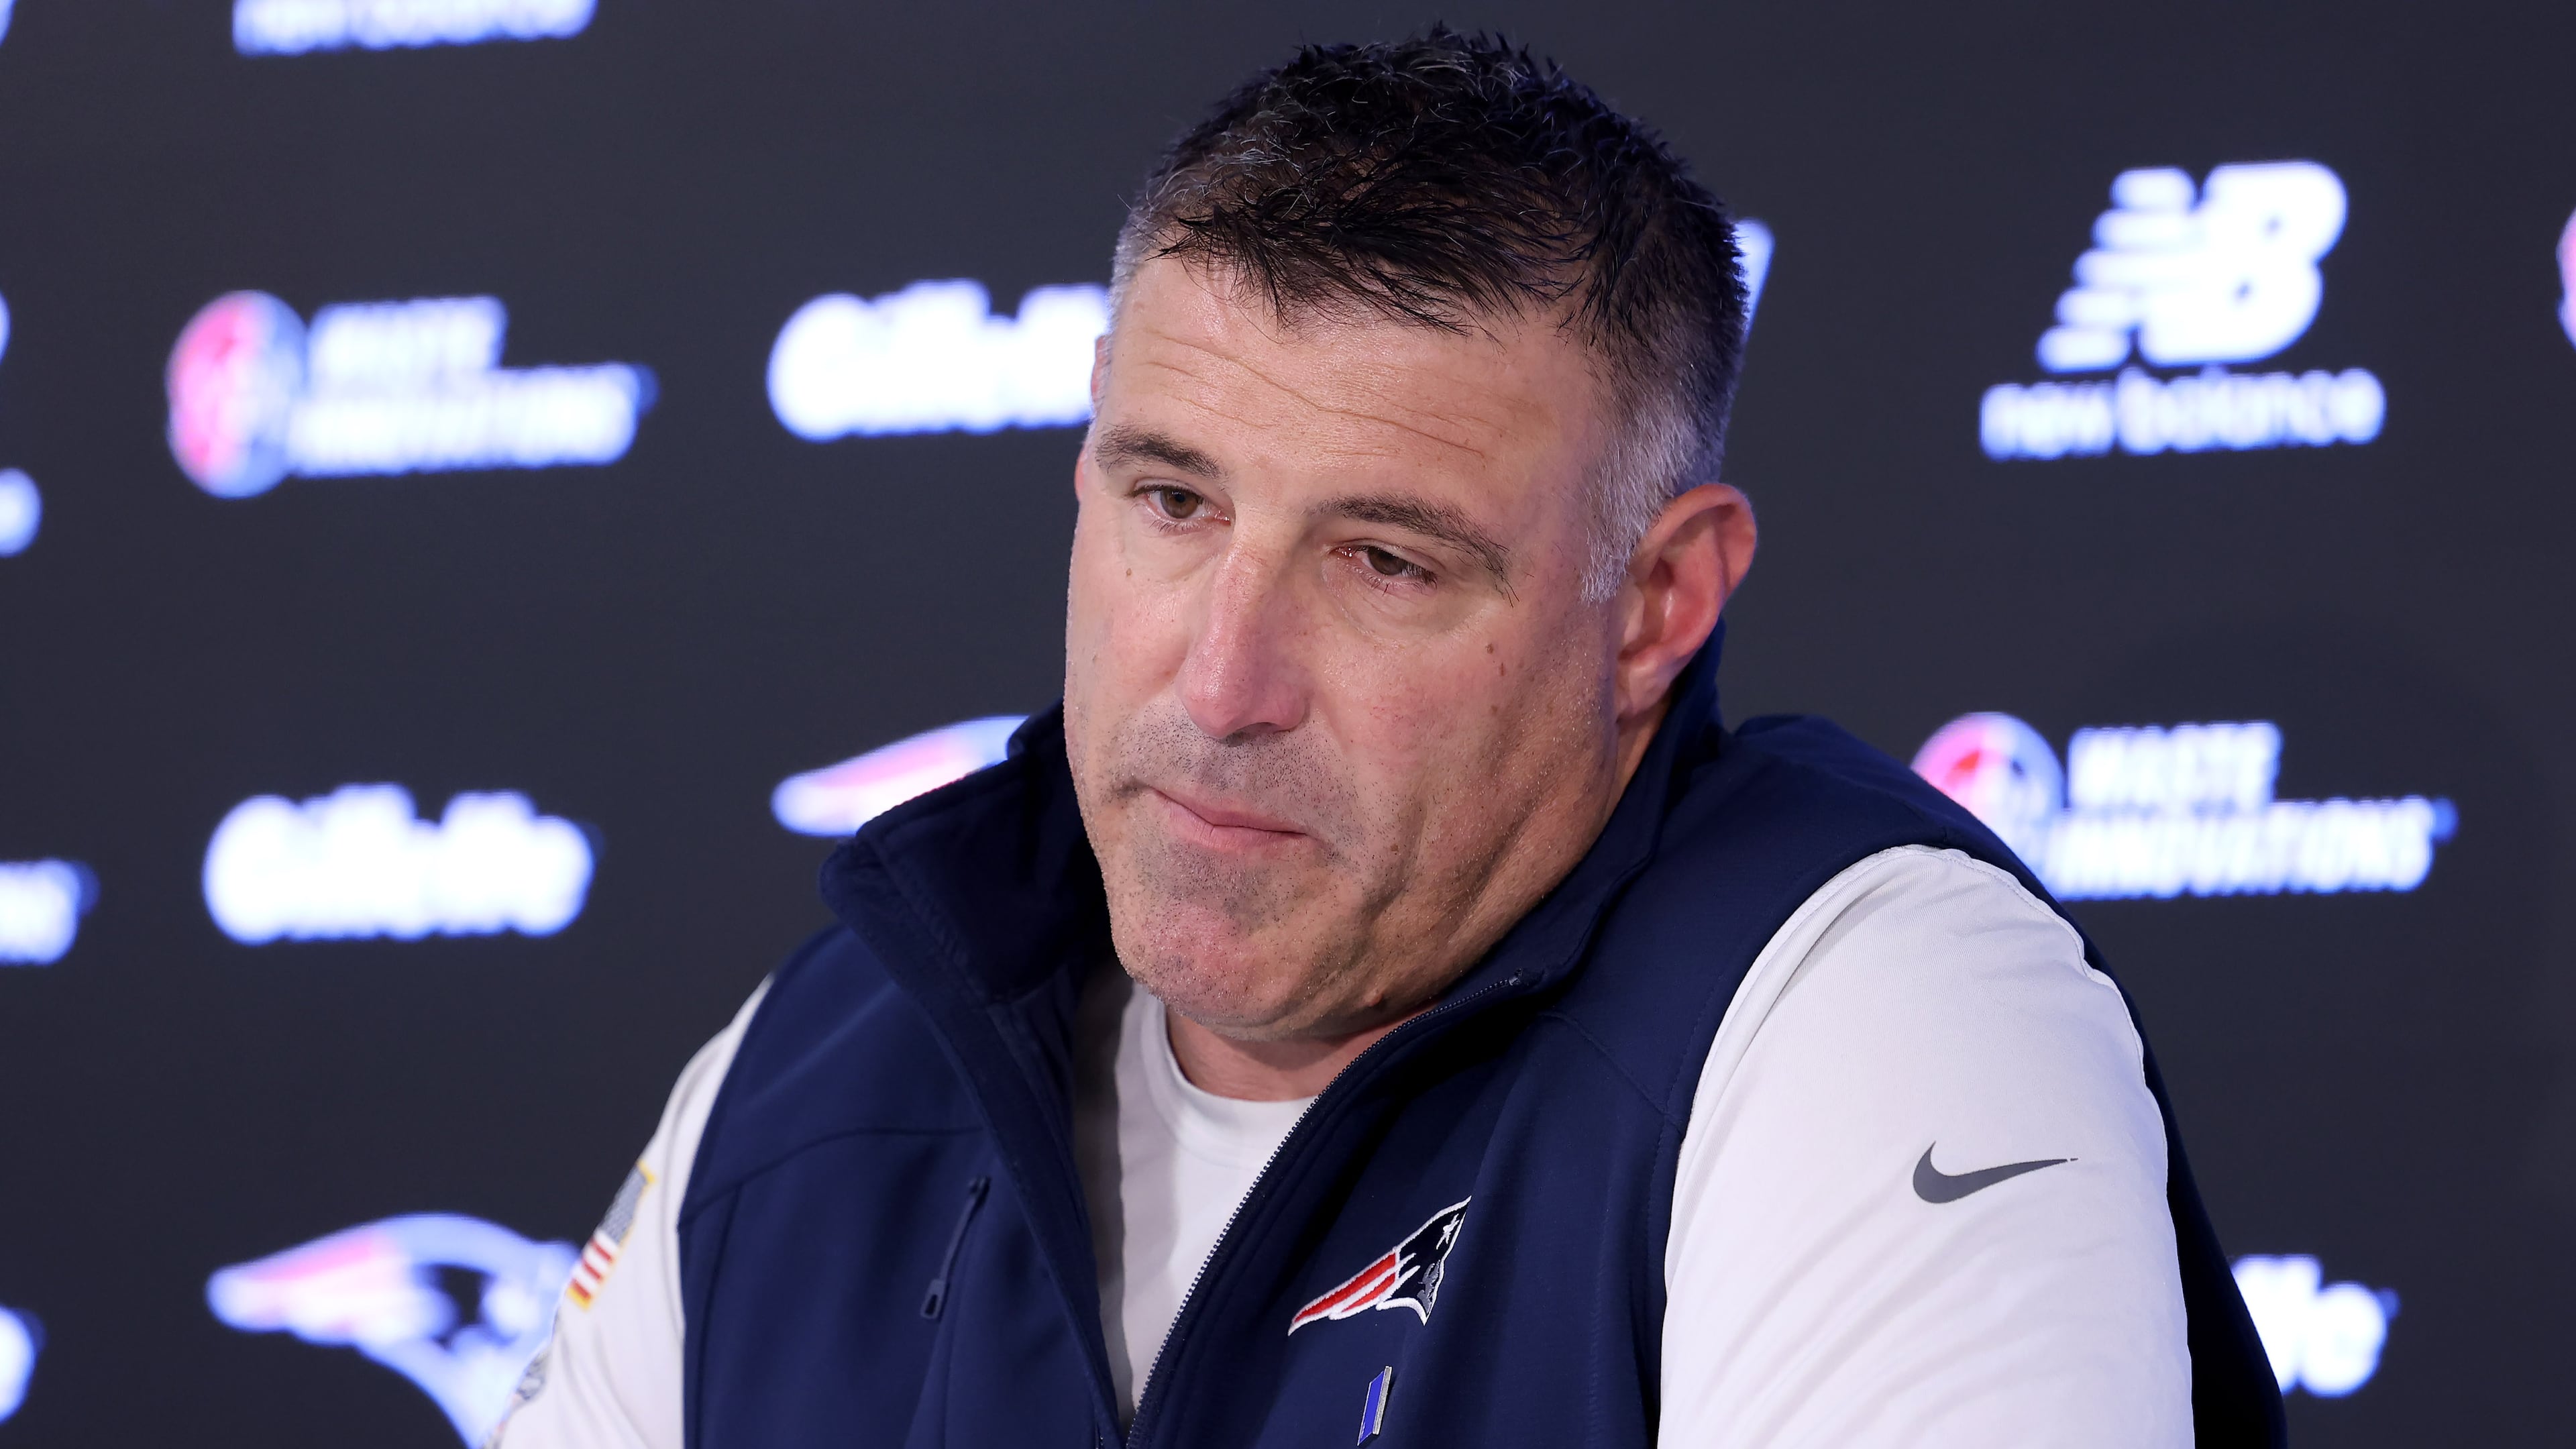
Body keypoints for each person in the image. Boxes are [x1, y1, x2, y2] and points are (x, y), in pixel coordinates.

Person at [493, 28, 2282, 1448]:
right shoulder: (819, 1072)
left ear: (1657, 603)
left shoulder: (1871, 1011)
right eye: (1174, 503)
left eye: (1385, 561)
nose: (1220, 682)